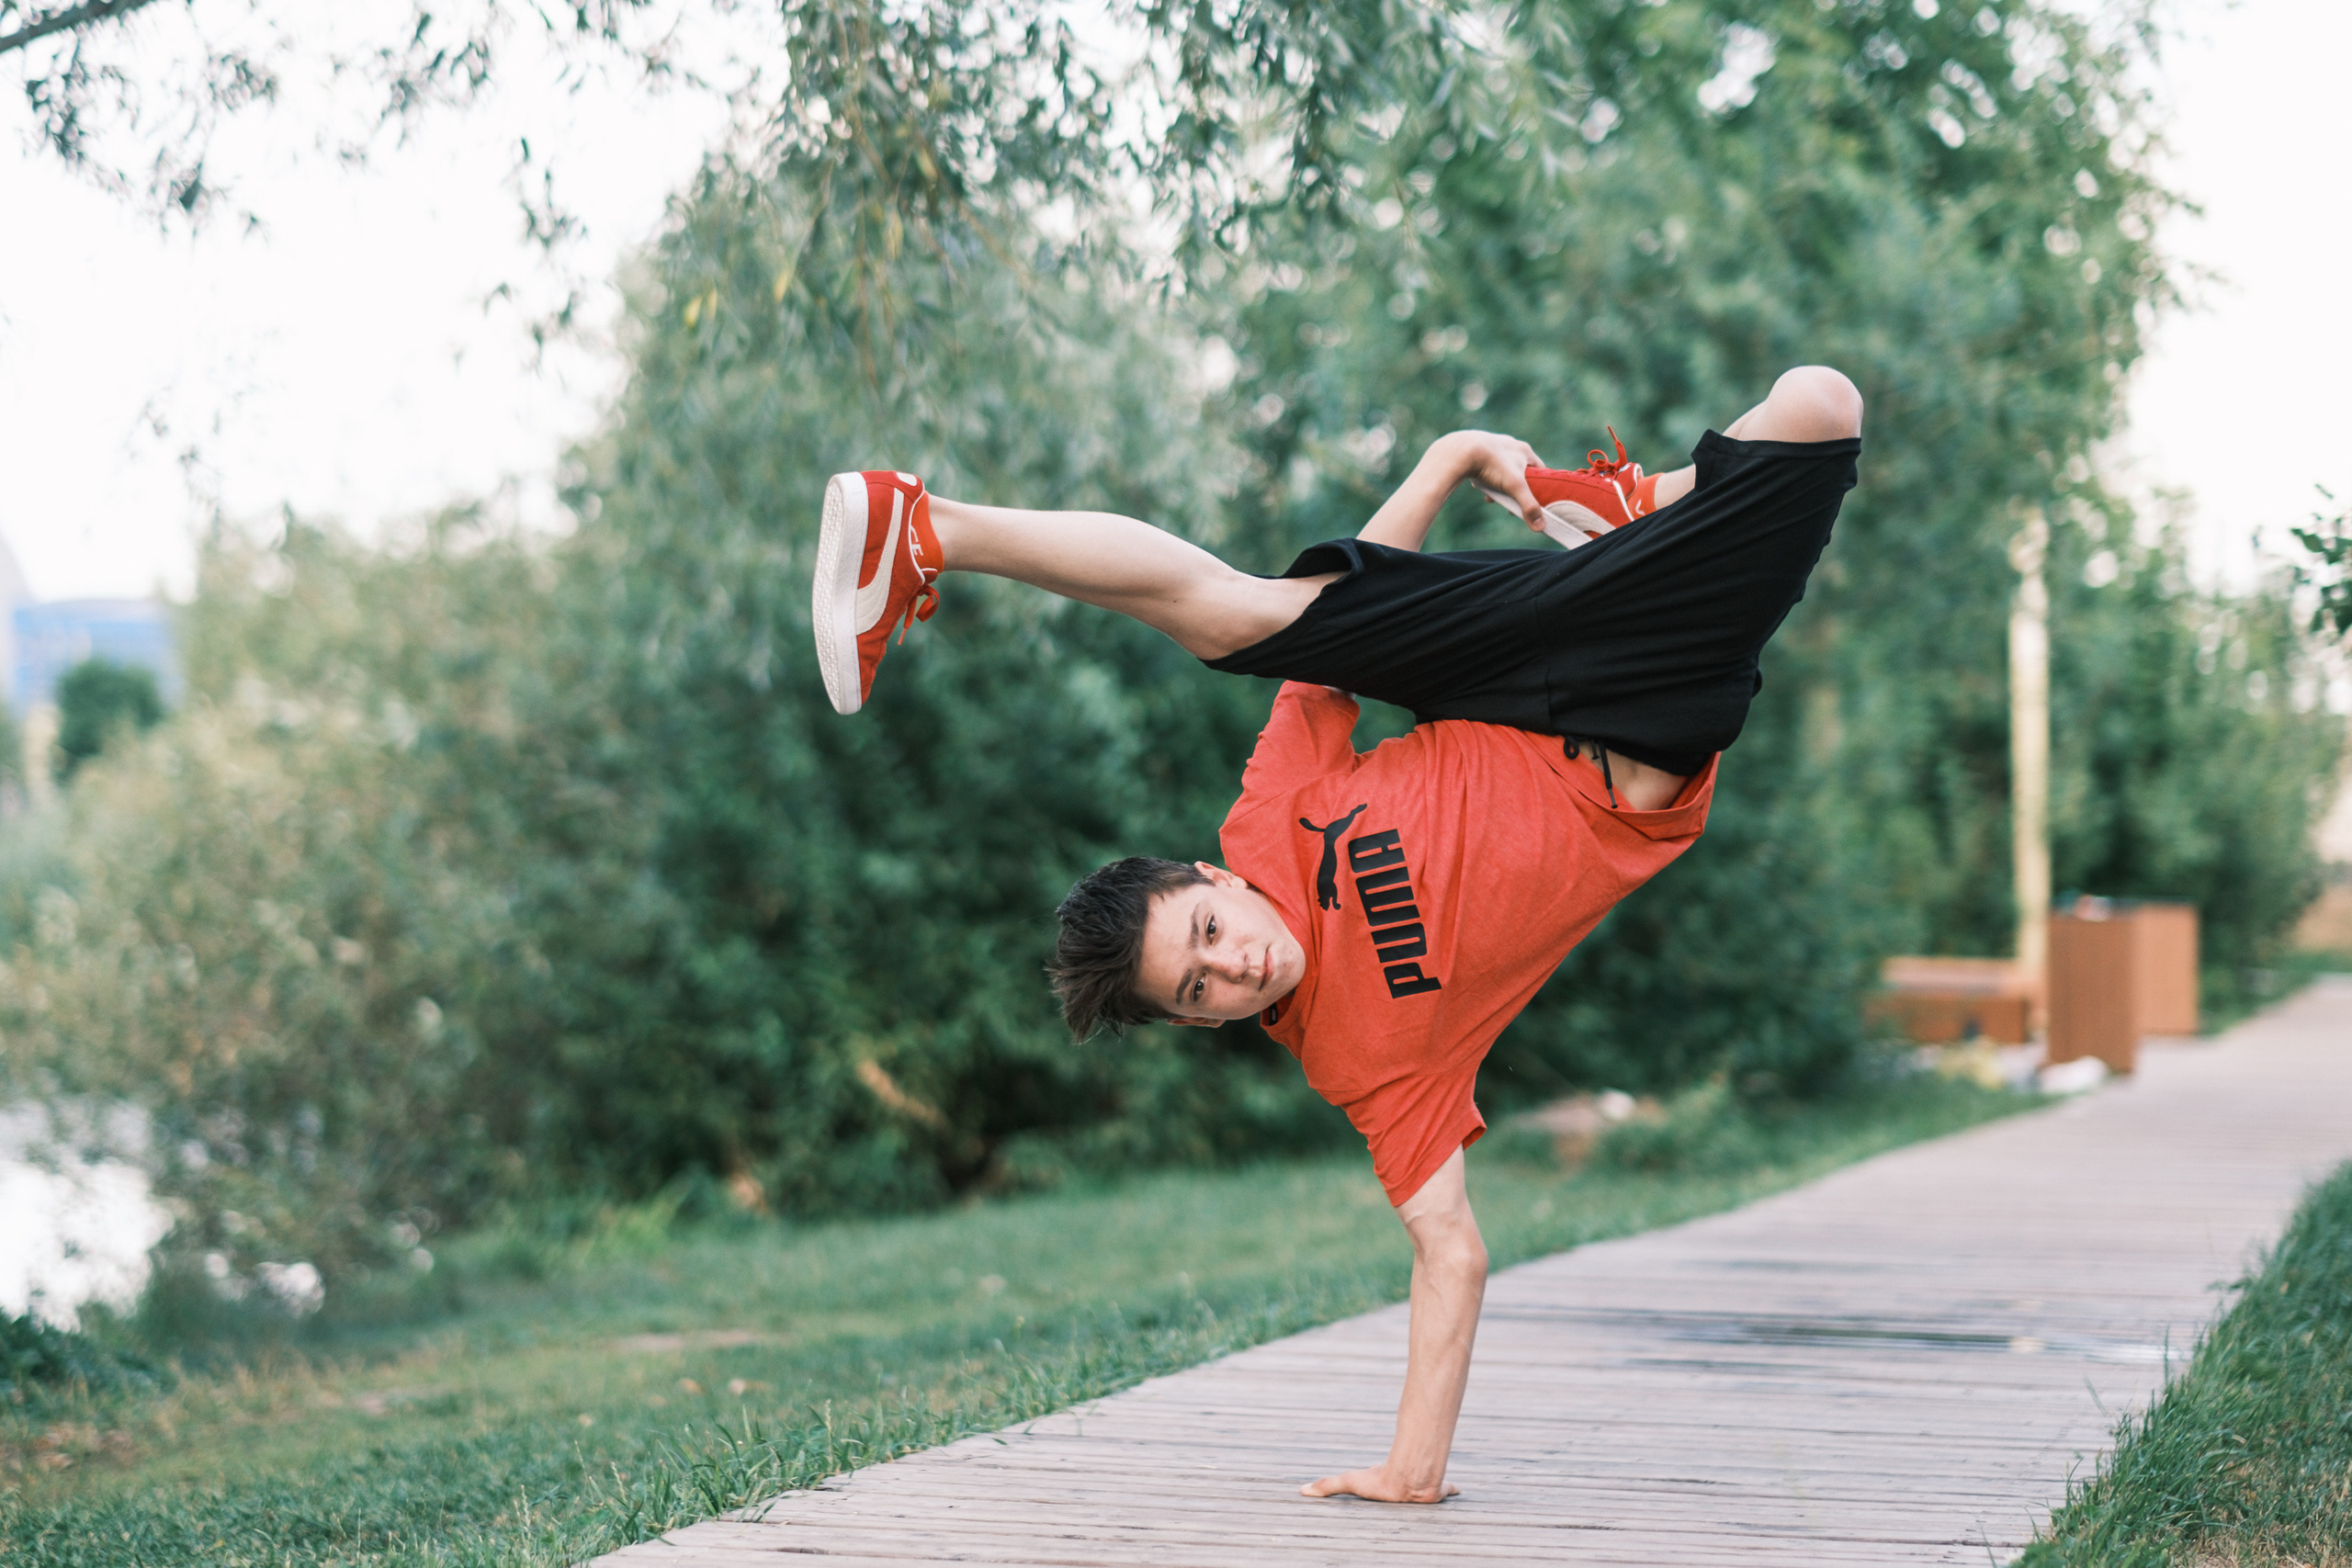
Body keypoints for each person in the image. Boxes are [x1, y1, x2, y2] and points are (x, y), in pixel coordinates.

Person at [809, 365, 1864, 1504]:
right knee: (1817, 406)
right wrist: (1413, 1471)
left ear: (1215, 876)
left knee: (1244, 617)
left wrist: (1450, 457)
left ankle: (925, 526)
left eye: (1207, 930)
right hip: (1645, 717)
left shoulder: (1267, 816)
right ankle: (1634, 507)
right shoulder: (1365, 1068)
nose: (1233, 966)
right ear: (1198, 1022)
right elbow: (1449, 1255)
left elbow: (1347, 619)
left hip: (1503, 661)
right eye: (1201, 990)